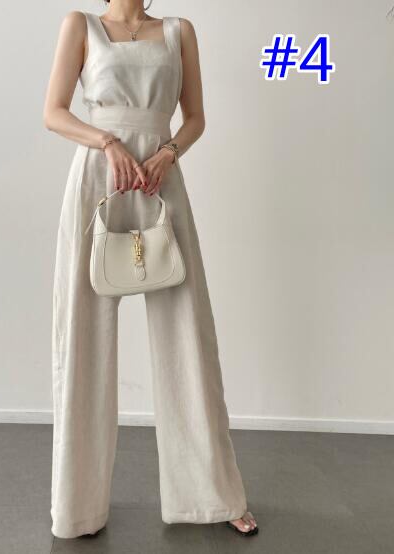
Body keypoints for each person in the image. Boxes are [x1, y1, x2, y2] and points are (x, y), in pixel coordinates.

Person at [43, 0, 259, 540]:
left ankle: (213, 496)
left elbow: (196, 117)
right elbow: (54, 112)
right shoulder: (81, 26)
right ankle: (77, 507)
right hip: (98, 178)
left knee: (188, 337)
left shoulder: (179, 31)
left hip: (161, 181)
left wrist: (168, 152)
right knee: (84, 341)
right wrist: (107, 141)